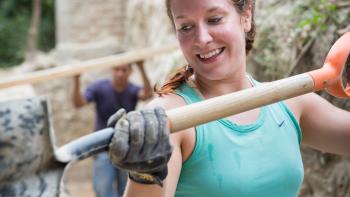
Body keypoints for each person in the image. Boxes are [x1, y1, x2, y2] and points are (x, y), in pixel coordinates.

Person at [106, 0, 350, 196]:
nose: (202, 39)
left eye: (214, 19)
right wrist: (145, 173)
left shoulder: (290, 103)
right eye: (186, 27)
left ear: (246, 16)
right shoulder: (170, 118)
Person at [72, 60, 153, 197]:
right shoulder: (99, 88)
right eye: (117, 69)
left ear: (130, 72)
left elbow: (147, 94)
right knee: (103, 191)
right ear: (111, 70)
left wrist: (142, 67)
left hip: (126, 148)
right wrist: (76, 79)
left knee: (126, 191)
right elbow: (78, 103)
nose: (120, 74)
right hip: (102, 148)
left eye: (124, 70)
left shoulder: (132, 90)